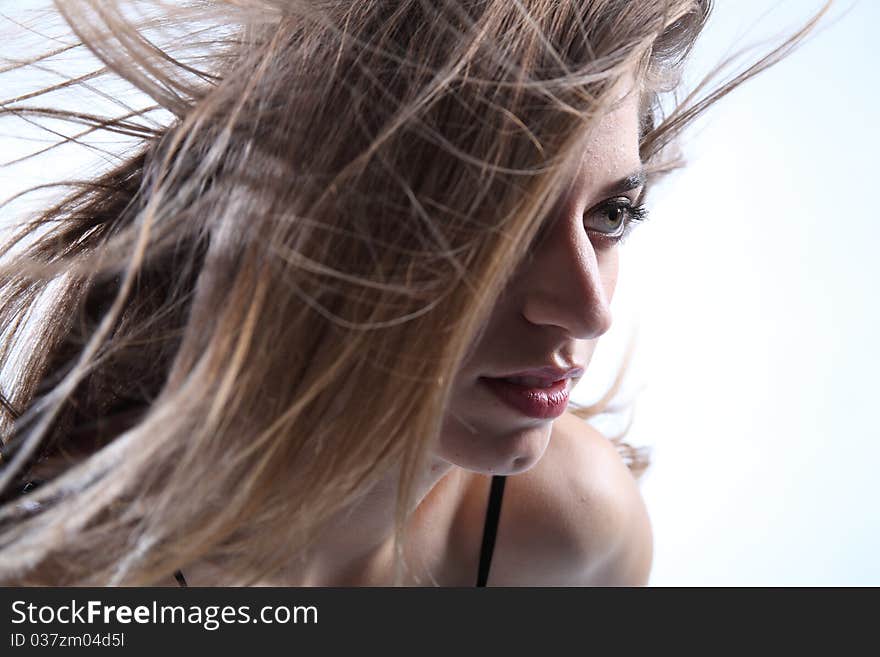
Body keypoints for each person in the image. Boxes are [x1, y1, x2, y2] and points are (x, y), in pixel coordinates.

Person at [0, 0, 822, 586]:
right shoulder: (69, 579)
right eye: (500, 222)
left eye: (612, 212)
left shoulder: (571, 532)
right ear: (312, 227)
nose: (587, 307)